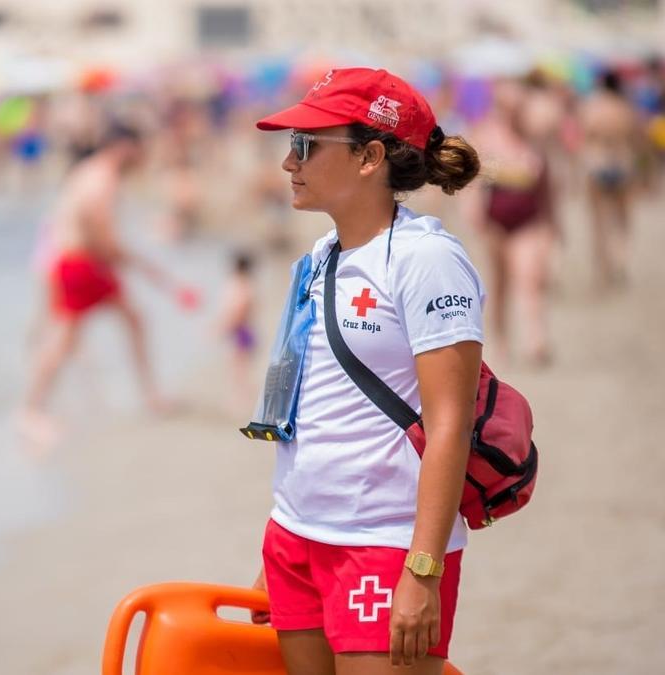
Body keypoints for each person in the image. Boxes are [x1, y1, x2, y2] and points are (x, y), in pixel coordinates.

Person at [249, 67, 484, 675]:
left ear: (369, 157)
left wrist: (423, 570)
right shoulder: (319, 257)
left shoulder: (426, 259)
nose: (287, 162)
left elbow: (450, 426)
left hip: (385, 542)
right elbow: (310, 403)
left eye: (305, 145)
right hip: (298, 537)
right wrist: (283, 535)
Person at [22, 124, 193, 441]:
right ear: (123, 147)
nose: (142, 156)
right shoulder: (104, 180)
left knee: (133, 321)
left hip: (80, 263)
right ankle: (31, 410)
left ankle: (151, 396)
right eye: (139, 148)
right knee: (64, 341)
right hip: (81, 265)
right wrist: (152, 271)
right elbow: (103, 239)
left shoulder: (87, 171)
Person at [468, 77, 557, 365]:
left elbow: (546, 184)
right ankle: (502, 342)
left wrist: (552, 224)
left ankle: (536, 339)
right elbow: (476, 180)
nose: (513, 111)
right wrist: (475, 213)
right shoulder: (485, 135)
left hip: (528, 220)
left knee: (529, 278)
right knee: (500, 285)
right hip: (495, 220)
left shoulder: (534, 136)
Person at [579, 70, 641, 290]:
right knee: (623, 221)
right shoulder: (625, 108)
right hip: (622, 164)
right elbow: (636, 139)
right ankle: (621, 260)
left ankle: (603, 269)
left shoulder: (593, 108)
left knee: (599, 222)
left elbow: (585, 135)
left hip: (598, 165)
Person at [218, 250, 257, 412]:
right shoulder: (246, 284)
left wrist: (222, 327)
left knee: (239, 367)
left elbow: (238, 310)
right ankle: (241, 397)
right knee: (240, 366)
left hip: (241, 331)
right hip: (243, 330)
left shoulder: (241, 286)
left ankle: (241, 399)